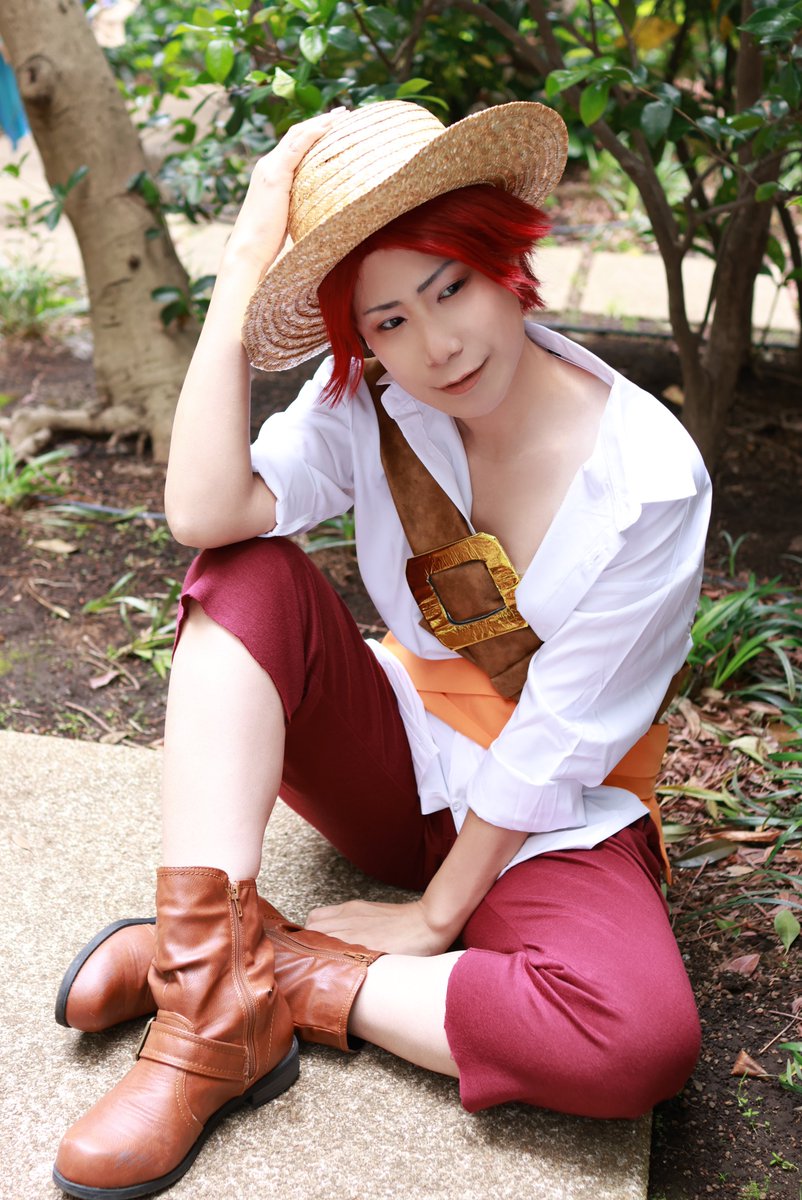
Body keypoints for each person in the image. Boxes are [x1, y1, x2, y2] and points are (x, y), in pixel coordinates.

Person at [52, 100, 711, 1199]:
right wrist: (244, 264)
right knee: (243, 570)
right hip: (398, 767)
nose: (437, 344)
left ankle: (257, 969)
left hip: (554, 816)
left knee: (634, 1042)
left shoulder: (648, 478)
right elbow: (205, 510)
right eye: (390, 320)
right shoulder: (372, 401)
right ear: (362, 340)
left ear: (506, 259)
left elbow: (556, 741)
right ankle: (210, 1021)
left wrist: (435, 916)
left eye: (451, 287)